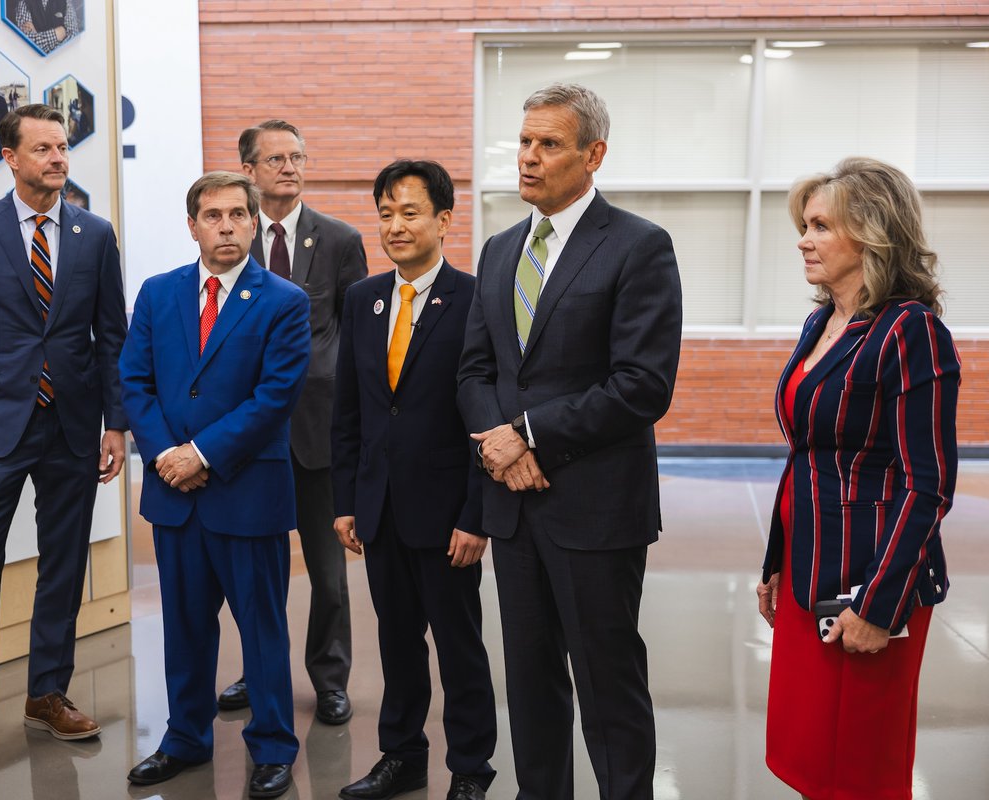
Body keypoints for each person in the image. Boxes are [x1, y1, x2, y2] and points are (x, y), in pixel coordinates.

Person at [457, 82, 682, 800]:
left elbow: (642, 384)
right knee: (528, 683)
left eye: (548, 145)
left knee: (608, 685)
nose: (528, 157)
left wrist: (527, 438)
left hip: (595, 510)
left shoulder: (639, 247)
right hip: (515, 511)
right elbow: (475, 369)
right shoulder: (498, 251)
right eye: (523, 142)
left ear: (593, 155)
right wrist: (500, 445)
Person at [0, 103, 128, 776]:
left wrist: (117, 423)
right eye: (42, 148)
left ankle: (47, 693)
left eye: (62, 146)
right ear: (9, 158)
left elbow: (112, 338)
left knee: (65, 562)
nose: (58, 158)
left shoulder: (95, 234)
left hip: (71, 423)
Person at [756, 157, 959, 800]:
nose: (803, 239)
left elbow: (928, 483)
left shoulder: (913, 331)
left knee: (860, 766)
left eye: (820, 226)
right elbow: (805, 456)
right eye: (804, 224)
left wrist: (878, 603)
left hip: (868, 581)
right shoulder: (823, 321)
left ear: (871, 234)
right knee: (811, 754)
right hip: (809, 567)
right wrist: (775, 563)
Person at [119, 171, 311, 798]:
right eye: (212, 215)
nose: (225, 226)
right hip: (175, 496)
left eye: (237, 214)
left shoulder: (283, 301)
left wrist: (201, 453)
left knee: (261, 629)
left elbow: (275, 397)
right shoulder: (157, 293)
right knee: (185, 626)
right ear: (193, 225)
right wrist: (167, 455)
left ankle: (274, 747)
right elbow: (135, 383)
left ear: (255, 222)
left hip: (246, 492)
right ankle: (185, 739)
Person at [332, 160, 497, 800]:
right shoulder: (363, 298)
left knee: (460, 649)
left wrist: (477, 515)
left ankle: (470, 770)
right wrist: (346, 500)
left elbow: (489, 419)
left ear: (443, 220)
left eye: (409, 212)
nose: (394, 226)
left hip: (448, 510)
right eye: (385, 213)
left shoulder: (477, 299)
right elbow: (350, 411)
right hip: (380, 508)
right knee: (397, 644)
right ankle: (401, 756)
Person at [217, 119, 367, 725]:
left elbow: (359, 341)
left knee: (328, 577)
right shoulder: (227, 238)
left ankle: (330, 678)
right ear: (248, 170)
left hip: (319, 433)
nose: (290, 166)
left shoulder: (339, 239)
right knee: (258, 574)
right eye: (276, 158)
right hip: (250, 435)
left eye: (297, 156)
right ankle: (260, 672)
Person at [14, 0, 81, 54]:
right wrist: (55, 34)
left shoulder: (66, 2)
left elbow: (73, 38)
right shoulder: (24, 3)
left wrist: (37, 35)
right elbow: (26, 43)